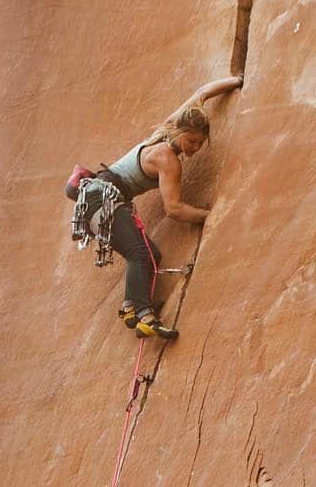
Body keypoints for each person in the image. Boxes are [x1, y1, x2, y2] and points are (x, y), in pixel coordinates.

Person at [93, 75, 243, 341]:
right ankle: (145, 317)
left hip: (100, 196)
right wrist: (214, 216)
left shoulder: (170, 126)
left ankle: (132, 309)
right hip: (102, 198)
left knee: (147, 254)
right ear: (180, 134)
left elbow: (202, 92)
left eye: (199, 143)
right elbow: (174, 209)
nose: (194, 148)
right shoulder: (168, 159)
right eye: (191, 142)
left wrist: (236, 79)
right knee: (142, 254)